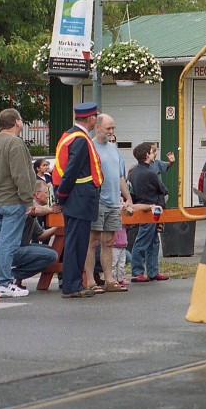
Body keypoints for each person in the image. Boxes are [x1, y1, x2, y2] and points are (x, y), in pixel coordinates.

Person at [0, 108, 36, 298]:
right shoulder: (15, 143)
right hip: (13, 200)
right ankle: (5, 282)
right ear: (16, 122)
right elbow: (20, 174)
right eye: (21, 120)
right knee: (8, 243)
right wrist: (28, 199)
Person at [54, 101, 103, 298]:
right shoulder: (81, 139)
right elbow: (71, 171)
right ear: (90, 119)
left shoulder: (70, 135)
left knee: (76, 242)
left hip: (75, 197)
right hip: (79, 198)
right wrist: (61, 197)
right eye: (95, 118)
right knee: (77, 242)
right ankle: (72, 286)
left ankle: (72, 283)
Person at [85, 114, 131, 293]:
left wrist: (128, 197)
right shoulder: (90, 147)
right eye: (108, 128)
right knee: (93, 241)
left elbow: (119, 176)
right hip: (97, 202)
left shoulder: (114, 149)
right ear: (97, 128)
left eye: (113, 128)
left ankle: (109, 279)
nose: (111, 132)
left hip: (113, 202)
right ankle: (90, 280)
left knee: (109, 241)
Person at [129, 141, 170, 283]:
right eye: (153, 151)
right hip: (152, 209)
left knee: (152, 240)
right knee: (145, 241)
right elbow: (163, 190)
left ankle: (152, 272)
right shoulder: (150, 174)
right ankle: (138, 271)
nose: (155, 153)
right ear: (147, 155)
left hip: (140, 208)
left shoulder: (133, 173)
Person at [10, 178, 60, 289]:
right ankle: (12, 276)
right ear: (37, 194)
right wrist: (52, 210)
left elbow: (41, 235)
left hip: (20, 247)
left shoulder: (33, 212)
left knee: (51, 251)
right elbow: (35, 210)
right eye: (46, 193)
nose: (47, 196)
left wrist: (57, 227)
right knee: (51, 256)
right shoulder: (30, 204)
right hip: (15, 249)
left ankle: (16, 280)